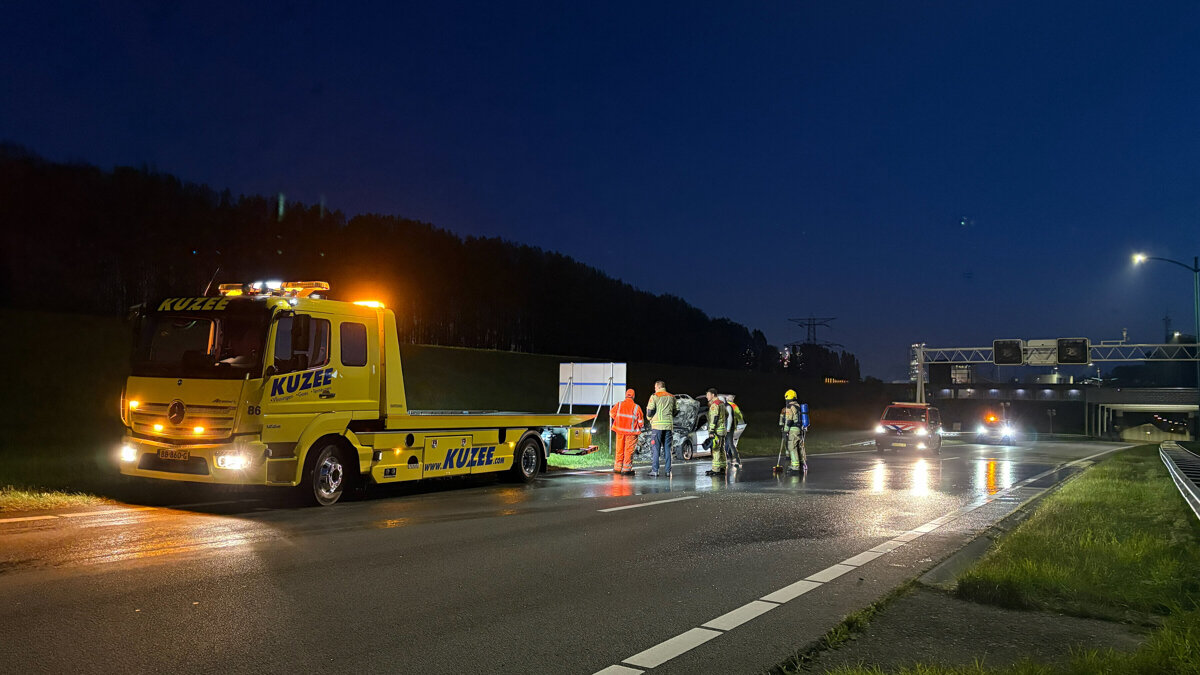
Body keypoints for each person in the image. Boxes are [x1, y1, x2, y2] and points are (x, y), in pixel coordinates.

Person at [609, 389, 644, 475]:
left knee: (619, 449)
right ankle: (626, 469)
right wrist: (640, 426)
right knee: (628, 451)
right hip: (631, 433)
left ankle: (617, 468)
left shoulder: (619, 404)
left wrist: (618, 420)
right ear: (633, 396)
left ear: (626, 395)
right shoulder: (636, 407)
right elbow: (641, 422)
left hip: (620, 431)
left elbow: (611, 413)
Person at [645, 380, 675, 477]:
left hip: (657, 426)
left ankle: (655, 470)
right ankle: (667, 471)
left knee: (656, 448)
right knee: (667, 448)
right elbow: (676, 411)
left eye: (655, 387)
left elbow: (650, 410)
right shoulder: (672, 397)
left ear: (658, 387)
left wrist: (649, 418)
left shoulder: (655, 396)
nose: (655, 389)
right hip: (668, 426)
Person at [779, 389, 807, 473]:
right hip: (799, 430)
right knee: (799, 447)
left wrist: (785, 431)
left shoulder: (789, 407)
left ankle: (795, 467)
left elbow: (789, 420)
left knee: (792, 447)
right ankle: (802, 464)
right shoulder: (798, 406)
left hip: (793, 430)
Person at [705, 388, 728, 476]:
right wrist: (722, 422)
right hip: (722, 430)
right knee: (721, 449)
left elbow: (714, 418)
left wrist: (711, 430)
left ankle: (716, 469)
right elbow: (726, 414)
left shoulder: (714, 405)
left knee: (715, 450)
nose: (707, 397)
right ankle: (722, 467)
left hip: (716, 431)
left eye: (708, 395)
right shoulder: (721, 403)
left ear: (713, 395)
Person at [723, 394, 744, 469]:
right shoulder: (734, 406)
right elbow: (739, 416)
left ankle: (728, 459)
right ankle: (736, 460)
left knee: (726, 444)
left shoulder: (723, 406)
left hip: (723, 427)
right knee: (730, 444)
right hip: (731, 427)